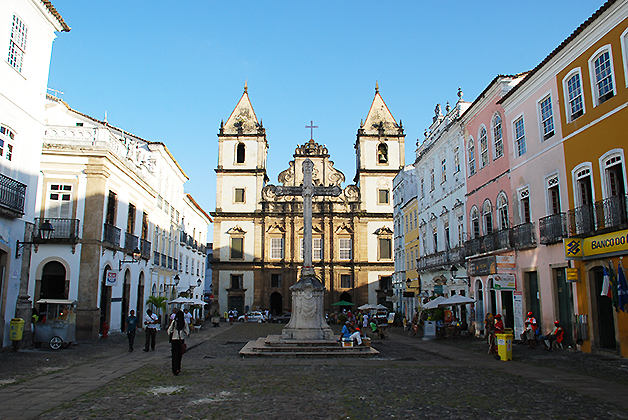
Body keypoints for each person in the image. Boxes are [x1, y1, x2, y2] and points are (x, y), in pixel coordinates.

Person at [167, 309, 189, 375]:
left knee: (174, 355)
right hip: (181, 340)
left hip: (174, 340)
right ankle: (178, 368)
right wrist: (183, 335)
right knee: (179, 355)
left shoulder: (174, 322)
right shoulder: (184, 322)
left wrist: (172, 334)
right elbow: (187, 331)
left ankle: (175, 369)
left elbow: (168, 331)